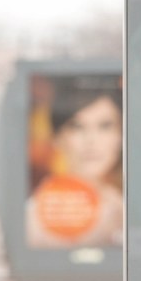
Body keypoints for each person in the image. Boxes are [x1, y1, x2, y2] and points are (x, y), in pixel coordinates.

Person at [27, 81, 123, 248]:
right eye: (77, 127)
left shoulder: (127, 209)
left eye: (105, 126)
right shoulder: (35, 215)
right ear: (57, 137)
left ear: (120, 136)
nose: (91, 141)